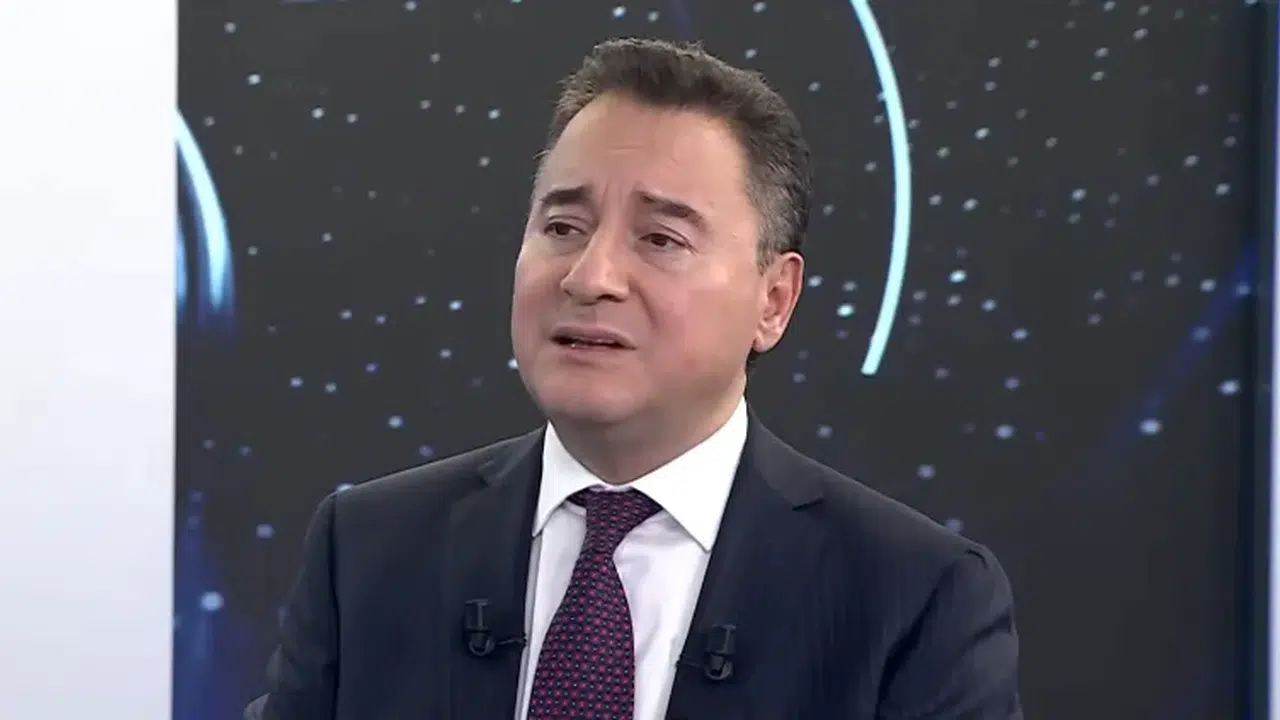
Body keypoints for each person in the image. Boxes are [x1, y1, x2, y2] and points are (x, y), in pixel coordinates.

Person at [245, 37, 1022, 720]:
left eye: (659, 238)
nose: (590, 277)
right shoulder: (369, 552)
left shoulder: (914, 600)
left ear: (773, 301)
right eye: (562, 227)